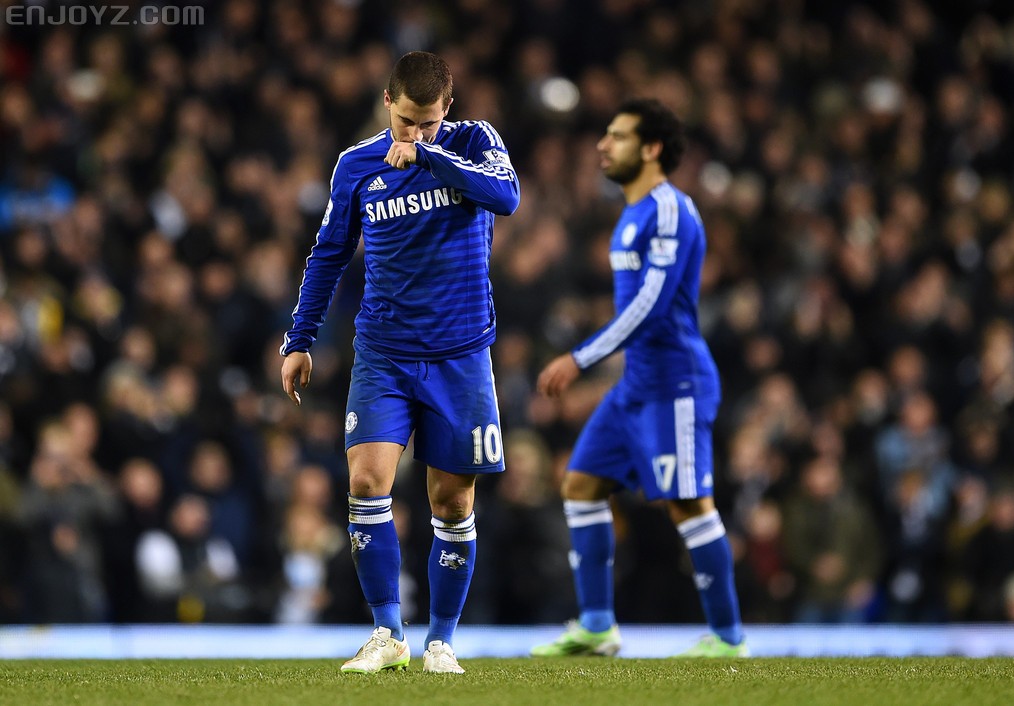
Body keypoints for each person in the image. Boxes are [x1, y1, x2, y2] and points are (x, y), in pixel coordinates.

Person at [280, 51, 519, 674]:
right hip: (383, 352)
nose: (416, 133)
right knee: (365, 483)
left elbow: (506, 197)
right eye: (408, 121)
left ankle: (441, 640)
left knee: (452, 503)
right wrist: (299, 338)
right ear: (388, 101)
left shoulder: (472, 143)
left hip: (460, 354)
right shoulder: (355, 166)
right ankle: (388, 634)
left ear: (449, 109)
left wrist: (433, 155)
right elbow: (328, 254)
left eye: (430, 122)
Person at [531, 99, 747, 658]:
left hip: (676, 383)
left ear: (652, 149)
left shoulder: (671, 210)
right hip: (636, 385)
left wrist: (580, 357)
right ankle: (599, 625)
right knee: (580, 485)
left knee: (689, 505)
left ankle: (728, 638)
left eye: (618, 136)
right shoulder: (629, 216)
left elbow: (652, 304)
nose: (603, 145)